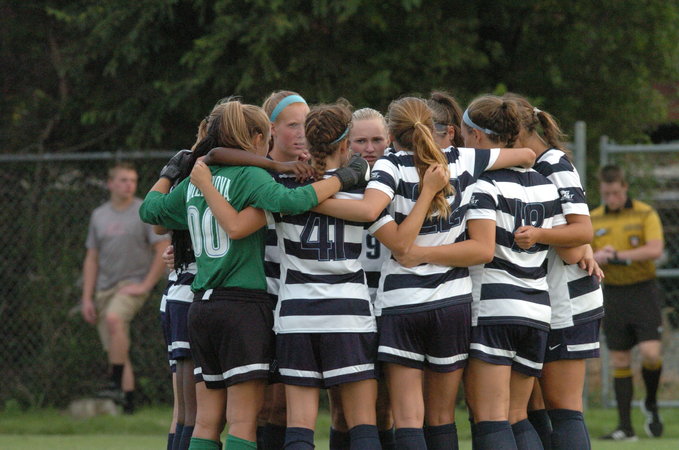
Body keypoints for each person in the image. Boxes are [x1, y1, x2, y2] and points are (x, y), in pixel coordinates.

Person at [139, 98, 369, 450]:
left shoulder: (196, 180)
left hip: (201, 306)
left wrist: (169, 174)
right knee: (243, 423)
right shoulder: (251, 177)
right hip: (241, 305)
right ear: (259, 137)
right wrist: (342, 179)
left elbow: (150, 210)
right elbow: (292, 201)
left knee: (205, 421)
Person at [314, 96, 537, 449]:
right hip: (453, 302)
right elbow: (526, 155)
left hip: (401, 303)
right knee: (441, 417)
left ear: (391, 135)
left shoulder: (387, 167)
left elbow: (386, 229)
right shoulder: (462, 158)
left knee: (406, 418)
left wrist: (307, 200)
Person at [459, 95, 581, 450]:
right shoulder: (543, 183)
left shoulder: (481, 184)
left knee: (491, 418)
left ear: (477, 136)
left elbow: (479, 247)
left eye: (464, 136)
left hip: (495, 308)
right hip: (537, 311)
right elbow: (571, 242)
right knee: (516, 415)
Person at [507, 93, 604, 450]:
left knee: (563, 408)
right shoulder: (533, 166)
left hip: (569, 300)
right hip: (543, 299)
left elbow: (578, 239)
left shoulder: (553, 164)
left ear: (517, 132)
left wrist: (538, 235)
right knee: (535, 407)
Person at [327, 107, 395, 450]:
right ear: (346, 143)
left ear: (390, 140)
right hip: (346, 305)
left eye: (377, 140)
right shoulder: (333, 183)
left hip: (389, 302)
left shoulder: (401, 180)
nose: (369, 148)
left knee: (385, 409)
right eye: (360, 141)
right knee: (343, 411)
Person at [80, 162, 170, 414]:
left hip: (131, 284)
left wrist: (145, 285)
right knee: (115, 345)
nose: (129, 185)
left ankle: (113, 383)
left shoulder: (143, 210)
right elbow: (91, 258)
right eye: (123, 180)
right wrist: (87, 298)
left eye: (133, 180)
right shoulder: (99, 215)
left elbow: (162, 249)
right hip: (104, 288)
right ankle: (128, 403)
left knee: (114, 319)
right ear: (110, 184)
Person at [592, 164, 665, 441]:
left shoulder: (645, 213)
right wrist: (598, 256)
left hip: (642, 291)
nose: (612, 199)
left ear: (625, 187)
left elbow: (655, 249)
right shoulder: (594, 218)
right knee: (619, 358)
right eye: (606, 194)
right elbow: (583, 252)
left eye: (616, 193)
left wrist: (618, 255)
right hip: (613, 293)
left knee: (650, 353)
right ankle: (625, 427)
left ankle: (651, 403)